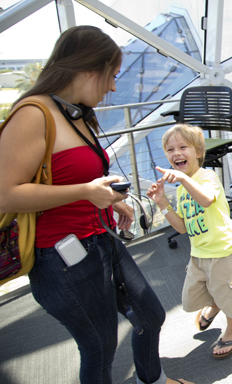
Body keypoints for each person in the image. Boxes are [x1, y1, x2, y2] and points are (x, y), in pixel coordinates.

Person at [0, 26, 191, 384]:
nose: (113, 87)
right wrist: (86, 192)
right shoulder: (33, 114)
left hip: (99, 238)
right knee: (99, 346)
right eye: (112, 75)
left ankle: (152, 380)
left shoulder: (77, 114)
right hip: (59, 256)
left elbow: (74, 177)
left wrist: (109, 201)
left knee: (149, 314)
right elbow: (6, 193)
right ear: (89, 69)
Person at [147, 124, 232, 359]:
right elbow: (181, 227)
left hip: (223, 251)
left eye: (183, 147)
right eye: (170, 150)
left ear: (199, 152)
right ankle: (215, 305)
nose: (176, 153)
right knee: (192, 297)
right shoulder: (182, 189)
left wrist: (182, 177)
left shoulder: (206, 176)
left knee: (229, 295)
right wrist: (162, 202)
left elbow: (207, 200)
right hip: (199, 252)